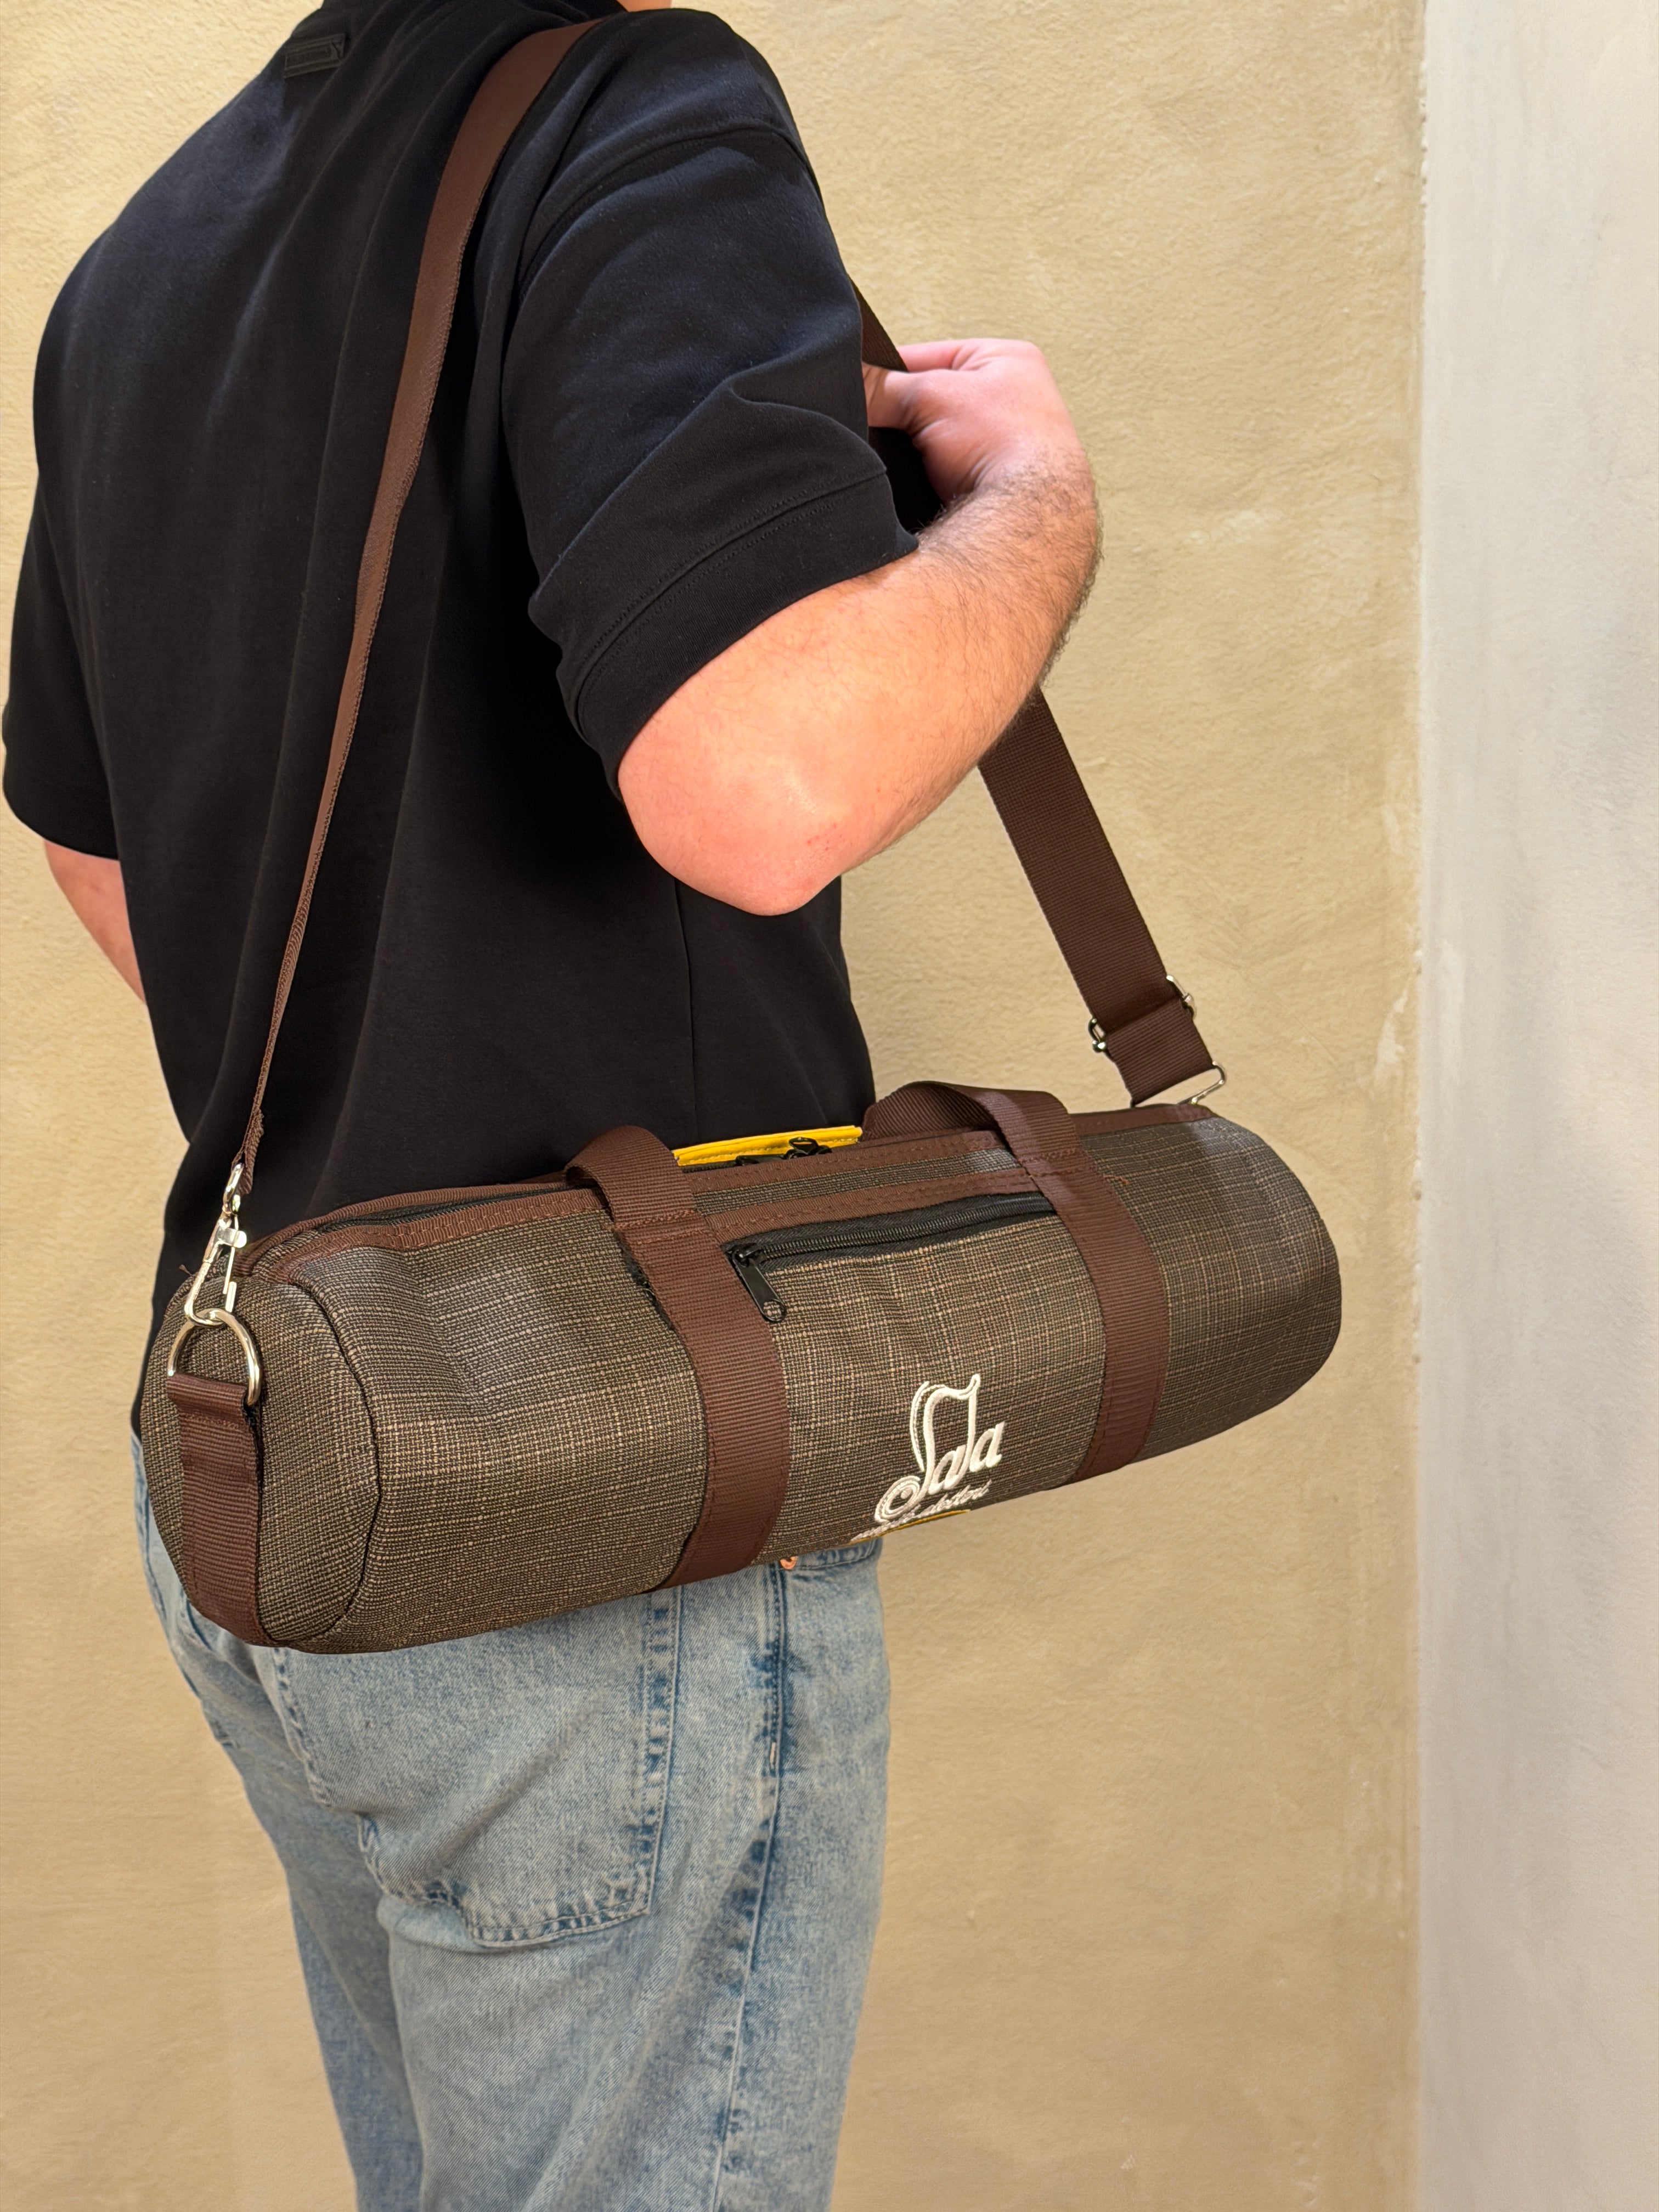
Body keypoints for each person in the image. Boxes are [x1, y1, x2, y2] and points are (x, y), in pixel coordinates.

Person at [3, 1, 1097, 2204]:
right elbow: (765, 792)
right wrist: (1039, 507)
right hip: (594, 1531)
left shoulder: (141, 264)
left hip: (275, 1467)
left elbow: (99, 851)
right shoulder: (640, 109)